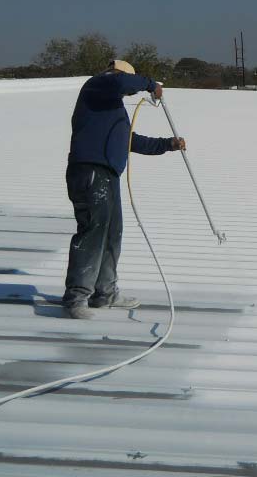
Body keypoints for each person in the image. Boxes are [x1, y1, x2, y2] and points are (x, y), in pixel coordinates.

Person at [62, 59, 185, 319]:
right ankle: (76, 297)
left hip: (107, 175)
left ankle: (104, 294)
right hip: (90, 171)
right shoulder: (97, 86)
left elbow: (130, 140)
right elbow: (121, 82)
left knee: (111, 234)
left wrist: (168, 144)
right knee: (93, 233)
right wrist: (150, 84)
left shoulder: (110, 107)